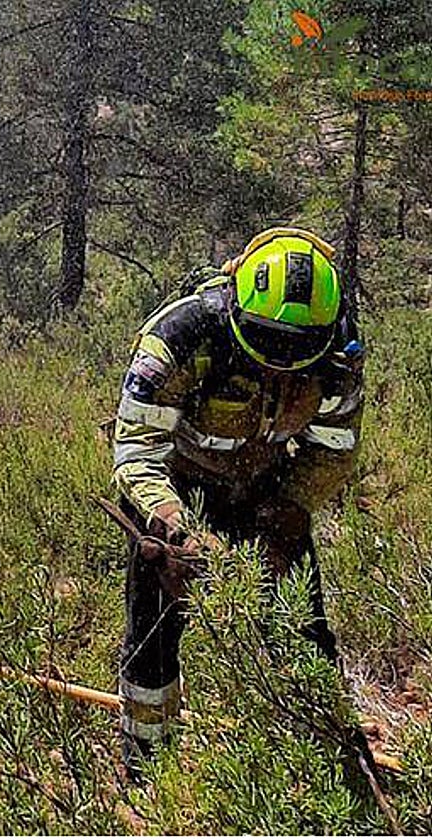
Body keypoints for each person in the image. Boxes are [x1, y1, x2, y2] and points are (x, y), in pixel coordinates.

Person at [110, 227, 364, 774]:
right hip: (179, 487)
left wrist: (287, 516)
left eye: (297, 351)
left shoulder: (337, 353)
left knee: (303, 631)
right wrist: (174, 525)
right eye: (270, 344)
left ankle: (323, 759)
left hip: (268, 490)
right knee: (153, 629)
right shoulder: (182, 337)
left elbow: (333, 452)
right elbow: (137, 449)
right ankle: (145, 757)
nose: (281, 363)